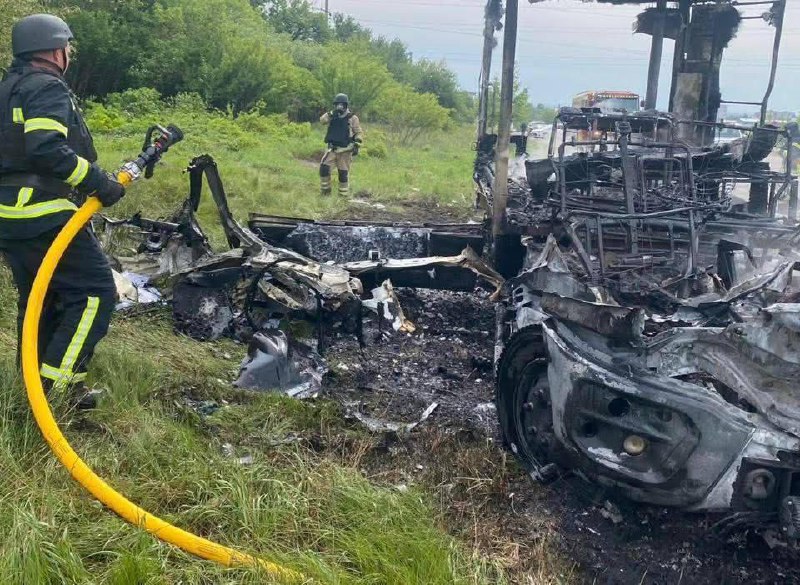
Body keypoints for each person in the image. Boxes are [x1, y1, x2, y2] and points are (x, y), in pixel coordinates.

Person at [0, 14, 126, 409]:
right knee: (95, 293)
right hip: (43, 213)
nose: (69, 53)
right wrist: (99, 183)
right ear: (56, 51)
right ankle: (58, 394)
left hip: (10, 216)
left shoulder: (7, 89)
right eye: (67, 47)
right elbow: (47, 150)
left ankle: (33, 388)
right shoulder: (46, 87)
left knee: (41, 300)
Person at [319, 93, 364, 197]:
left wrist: (357, 143)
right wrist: (331, 113)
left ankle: (343, 196)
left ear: (346, 105)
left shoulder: (352, 118)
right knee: (324, 169)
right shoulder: (332, 115)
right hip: (332, 149)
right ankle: (325, 194)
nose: (340, 106)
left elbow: (358, 132)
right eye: (337, 104)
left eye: (342, 104)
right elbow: (322, 121)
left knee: (343, 174)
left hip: (345, 151)